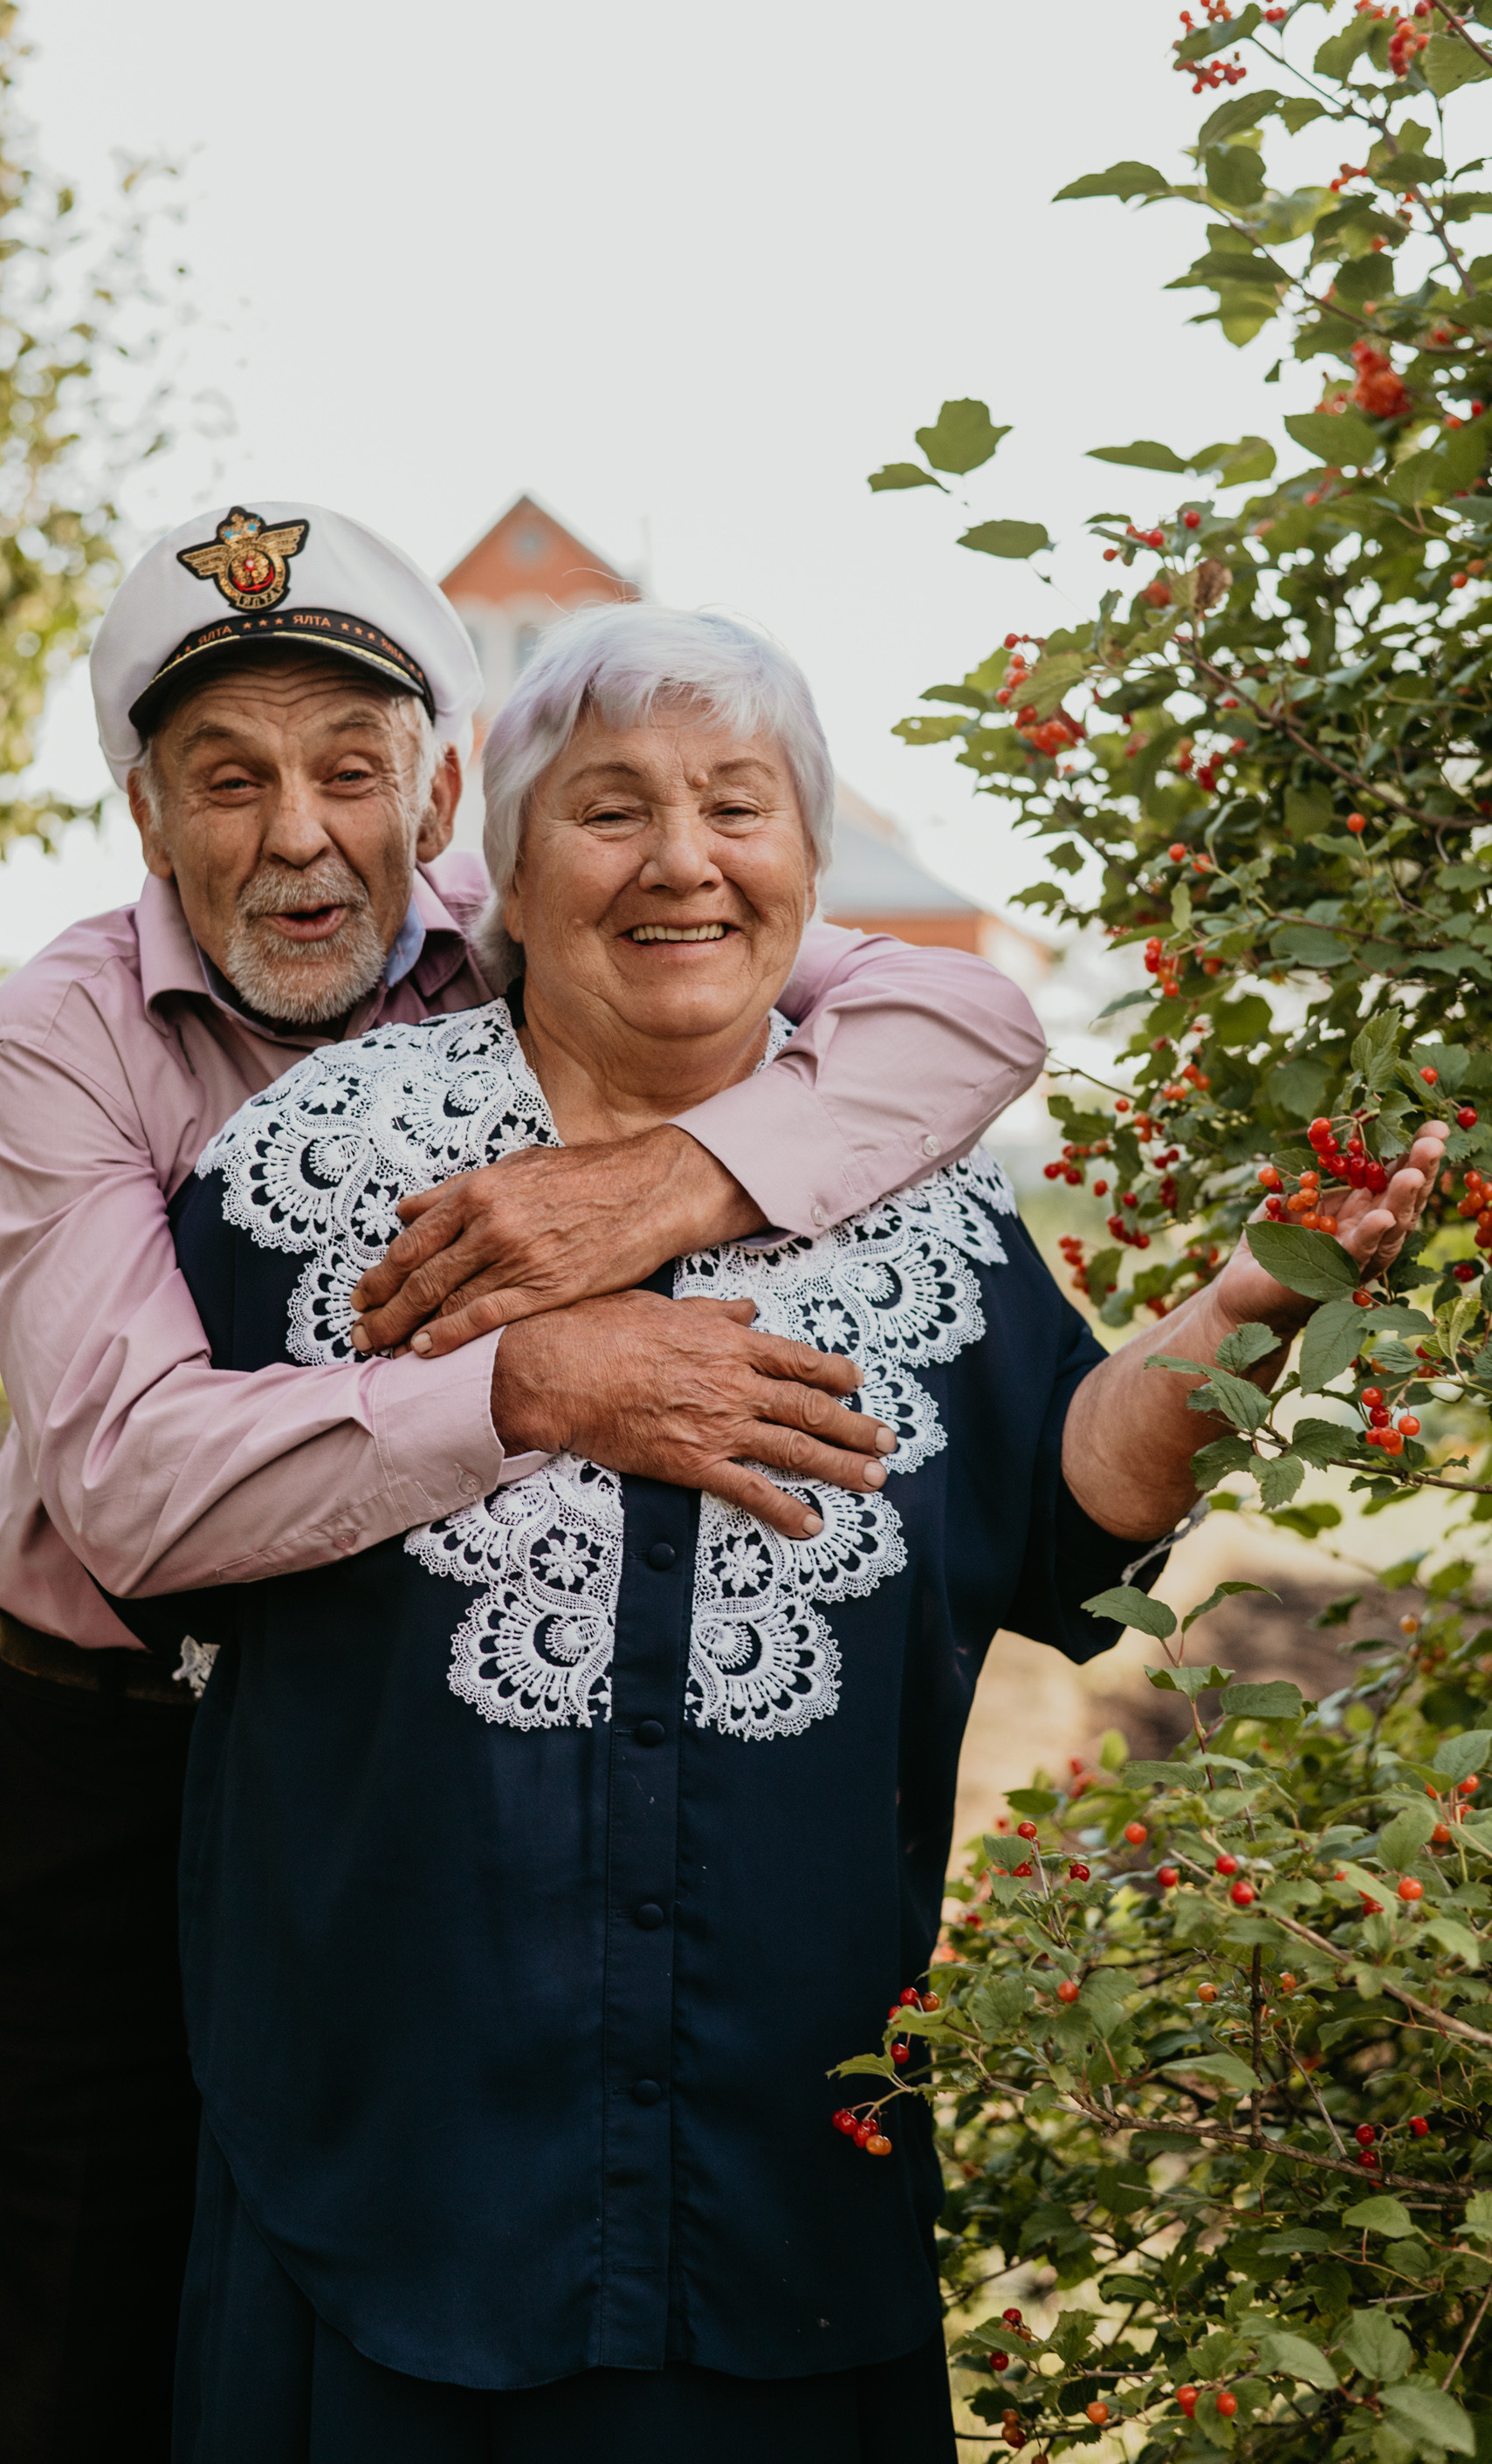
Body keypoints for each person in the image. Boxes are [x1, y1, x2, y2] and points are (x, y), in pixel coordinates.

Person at [151, 601, 1447, 2461]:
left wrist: (1239, 1305)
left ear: (808, 869)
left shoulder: (922, 1200)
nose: (681, 859)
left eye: (737, 808)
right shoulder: (329, 1170)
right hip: (388, 2170)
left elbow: (1068, 1508)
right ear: (503, 868)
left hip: (770, 2180)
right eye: (609, 810)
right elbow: (153, 1518)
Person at [0, 503, 1047, 2464]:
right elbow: (134, 1486)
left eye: (350, 772)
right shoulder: (68, 1031)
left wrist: (680, 1176)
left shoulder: (537, 919)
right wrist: (523, 1383)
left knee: (414, 2297)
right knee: (76, 2335)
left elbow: (963, 1012)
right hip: (114, 1745)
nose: (297, 837)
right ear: (141, 813)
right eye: (228, 780)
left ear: (439, 796)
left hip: (393, 1765)